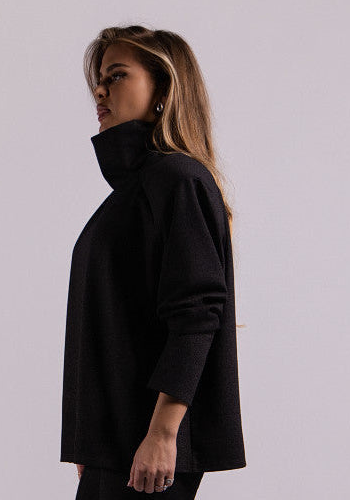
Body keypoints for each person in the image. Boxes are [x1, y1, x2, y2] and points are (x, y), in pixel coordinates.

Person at [60, 25, 246, 499]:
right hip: (119, 446)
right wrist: (94, 437)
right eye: (99, 80)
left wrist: (163, 434)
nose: (100, 91)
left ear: (163, 88)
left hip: (149, 448)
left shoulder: (177, 180)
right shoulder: (136, 192)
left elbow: (197, 314)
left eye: (117, 75)